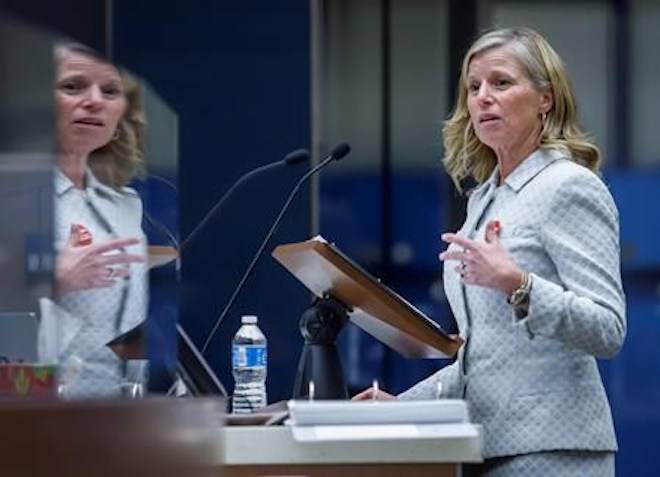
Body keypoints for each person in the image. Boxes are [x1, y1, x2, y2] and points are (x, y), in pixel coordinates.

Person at [353, 27, 625, 476]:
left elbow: (608, 328)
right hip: (483, 448)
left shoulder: (568, 186)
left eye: (501, 83)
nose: (483, 97)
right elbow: (486, 356)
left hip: (553, 450)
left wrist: (519, 284)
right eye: (473, 87)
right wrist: (401, 407)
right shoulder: (485, 199)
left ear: (546, 99)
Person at [38, 42, 148, 398]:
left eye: (110, 91)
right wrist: (48, 279)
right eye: (73, 86)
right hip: (31, 414)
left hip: (120, 413)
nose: (95, 100)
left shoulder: (125, 206)